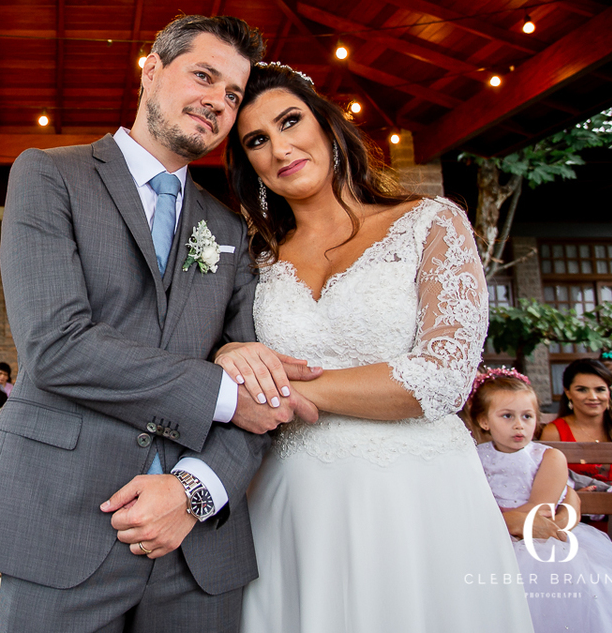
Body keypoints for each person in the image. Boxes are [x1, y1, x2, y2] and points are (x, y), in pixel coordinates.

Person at [0, 16, 319, 630]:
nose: (218, 102)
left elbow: (265, 384)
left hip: (198, 550)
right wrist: (222, 393)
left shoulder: (229, 228)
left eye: (233, 95)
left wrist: (195, 490)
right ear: (150, 70)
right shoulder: (49, 175)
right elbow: (56, 348)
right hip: (64, 522)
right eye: (203, 76)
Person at [225, 62, 532, 631]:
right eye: (257, 141)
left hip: (417, 497)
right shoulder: (255, 263)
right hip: (293, 505)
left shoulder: (431, 223)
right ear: (250, 165)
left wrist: (283, 389)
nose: (280, 147)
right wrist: (229, 358)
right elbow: (229, 355)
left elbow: (442, 377)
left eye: (291, 121)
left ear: (327, 125)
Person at [469, 368, 612, 632]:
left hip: (540, 537)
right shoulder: (473, 457)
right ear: (484, 421)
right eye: (507, 416)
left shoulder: (547, 456)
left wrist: (497, 525)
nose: (519, 425)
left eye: (527, 416)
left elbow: (540, 509)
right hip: (496, 535)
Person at [541, 359, 612, 485]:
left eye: (600, 389)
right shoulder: (554, 433)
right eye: (582, 390)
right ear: (568, 393)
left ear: (609, 392)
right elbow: (549, 485)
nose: (593, 397)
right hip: (575, 503)